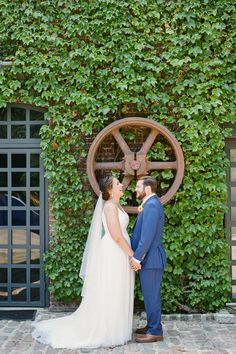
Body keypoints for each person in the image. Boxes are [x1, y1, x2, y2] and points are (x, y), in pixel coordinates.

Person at [32, 176, 134, 349]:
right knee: (112, 289)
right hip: (114, 252)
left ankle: (116, 328)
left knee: (118, 288)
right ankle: (108, 331)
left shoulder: (116, 205)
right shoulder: (109, 207)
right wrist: (132, 255)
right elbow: (116, 235)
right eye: (118, 183)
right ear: (109, 189)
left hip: (120, 252)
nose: (121, 185)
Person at [130, 176, 166, 343]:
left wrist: (137, 258)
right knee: (150, 294)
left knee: (151, 295)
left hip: (151, 259)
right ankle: (152, 324)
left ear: (148, 189)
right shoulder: (150, 204)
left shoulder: (151, 206)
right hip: (151, 259)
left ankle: (155, 331)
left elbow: (147, 237)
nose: (135, 189)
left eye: (138, 186)